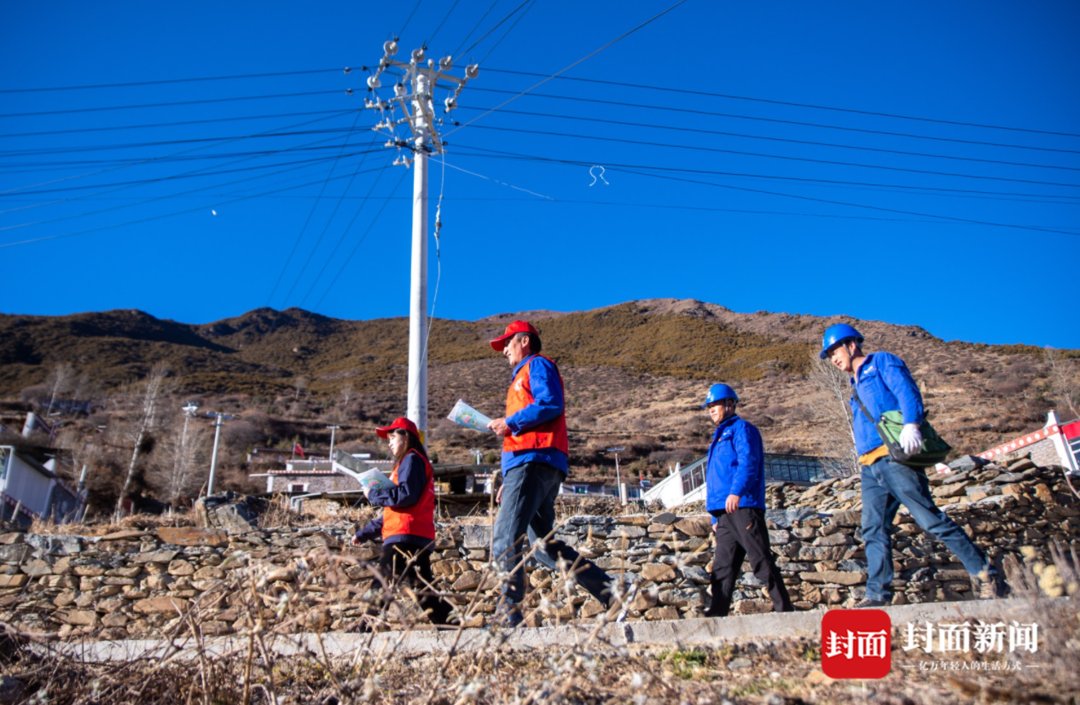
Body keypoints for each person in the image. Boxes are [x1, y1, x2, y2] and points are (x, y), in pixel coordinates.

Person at [820, 323, 1008, 606]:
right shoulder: (853, 384)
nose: (834, 358)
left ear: (852, 344)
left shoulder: (881, 361)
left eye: (835, 350)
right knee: (873, 528)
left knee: (930, 519)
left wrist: (911, 424)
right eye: (830, 354)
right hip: (870, 466)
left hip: (895, 459)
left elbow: (906, 391)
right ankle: (877, 594)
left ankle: (986, 575)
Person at [486, 320, 618, 627]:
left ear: (524, 341)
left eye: (507, 343)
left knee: (506, 537)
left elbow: (550, 404)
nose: (504, 350)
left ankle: (508, 611)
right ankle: (610, 591)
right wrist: (509, 478)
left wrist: (511, 422)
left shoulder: (538, 366)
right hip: (531, 465)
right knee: (543, 547)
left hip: (533, 460)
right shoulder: (521, 375)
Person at [352, 416, 456, 627]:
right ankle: (453, 624)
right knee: (421, 586)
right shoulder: (410, 462)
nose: (389, 442)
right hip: (412, 532)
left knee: (382, 579)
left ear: (406, 437)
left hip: (405, 535)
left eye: (392, 437)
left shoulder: (411, 460)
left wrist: (372, 495)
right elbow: (394, 509)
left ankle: (366, 626)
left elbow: (405, 496)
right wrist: (366, 532)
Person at [701, 383, 794, 617]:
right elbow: (716, 479)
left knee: (761, 560)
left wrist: (737, 491)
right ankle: (717, 614)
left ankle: (786, 610)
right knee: (722, 567)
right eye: (709, 406)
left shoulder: (742, 429)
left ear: (730, 404)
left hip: (743, 507)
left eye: (715, 405)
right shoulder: (718, 436)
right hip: (724, 514)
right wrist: (714, 515)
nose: (711, 409)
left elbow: (748, 462)